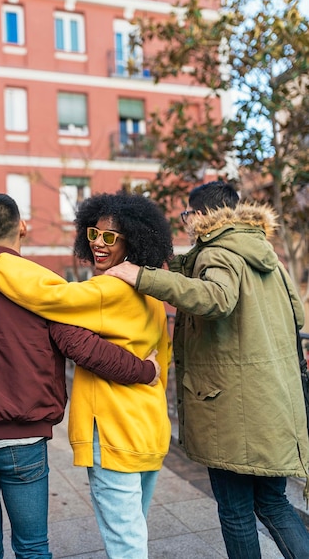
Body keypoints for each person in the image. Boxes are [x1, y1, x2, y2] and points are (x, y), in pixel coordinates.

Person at [0, 193, 163, 559]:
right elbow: (84, 346)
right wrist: (145, 369)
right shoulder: (42, 289)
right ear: (23, 228)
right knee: (32, 546)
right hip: (24, 440)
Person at [105, 180, 309, 559]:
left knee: (235, 511)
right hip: (275, 403)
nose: (185, 221)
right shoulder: (266, 255)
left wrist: (142, 277)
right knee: (273, 504)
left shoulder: (218, 252)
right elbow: (297, 314)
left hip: (231, 410)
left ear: (200, 216)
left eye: (186, 214)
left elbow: (217, 298)